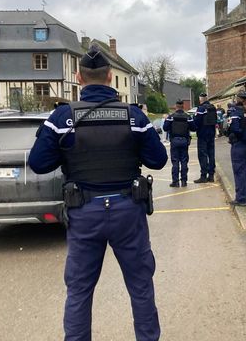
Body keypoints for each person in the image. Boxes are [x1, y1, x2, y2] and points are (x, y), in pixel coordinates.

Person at [28, 45, 167, 341]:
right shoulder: (134, 117)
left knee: (79, 290)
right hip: (128, 209)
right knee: (140, 285)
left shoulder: (62, 117)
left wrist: (66, 151)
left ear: (79, 77)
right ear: (109, 78)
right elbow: (158, 160)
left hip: (84, 211)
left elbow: (38, 164)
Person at [163, 99, 196, 187]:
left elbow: (165, 128)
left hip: (174, 140)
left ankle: (175, 181)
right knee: (184, 161)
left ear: (176, 106)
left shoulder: (171, 117)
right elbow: (193, 128)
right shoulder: (188, 117)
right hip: (184, 140)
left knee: (175, 161)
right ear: (183, 106)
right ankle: (184, 181)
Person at [193, 92, 217, 183]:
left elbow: (196, 122)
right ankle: (211, 175)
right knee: (211, 154)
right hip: (211, 134)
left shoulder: (201, 109)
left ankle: (203, 176)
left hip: (203, 135)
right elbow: (216, 120)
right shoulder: (213, 108)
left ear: (200, 99)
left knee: (202, 155)